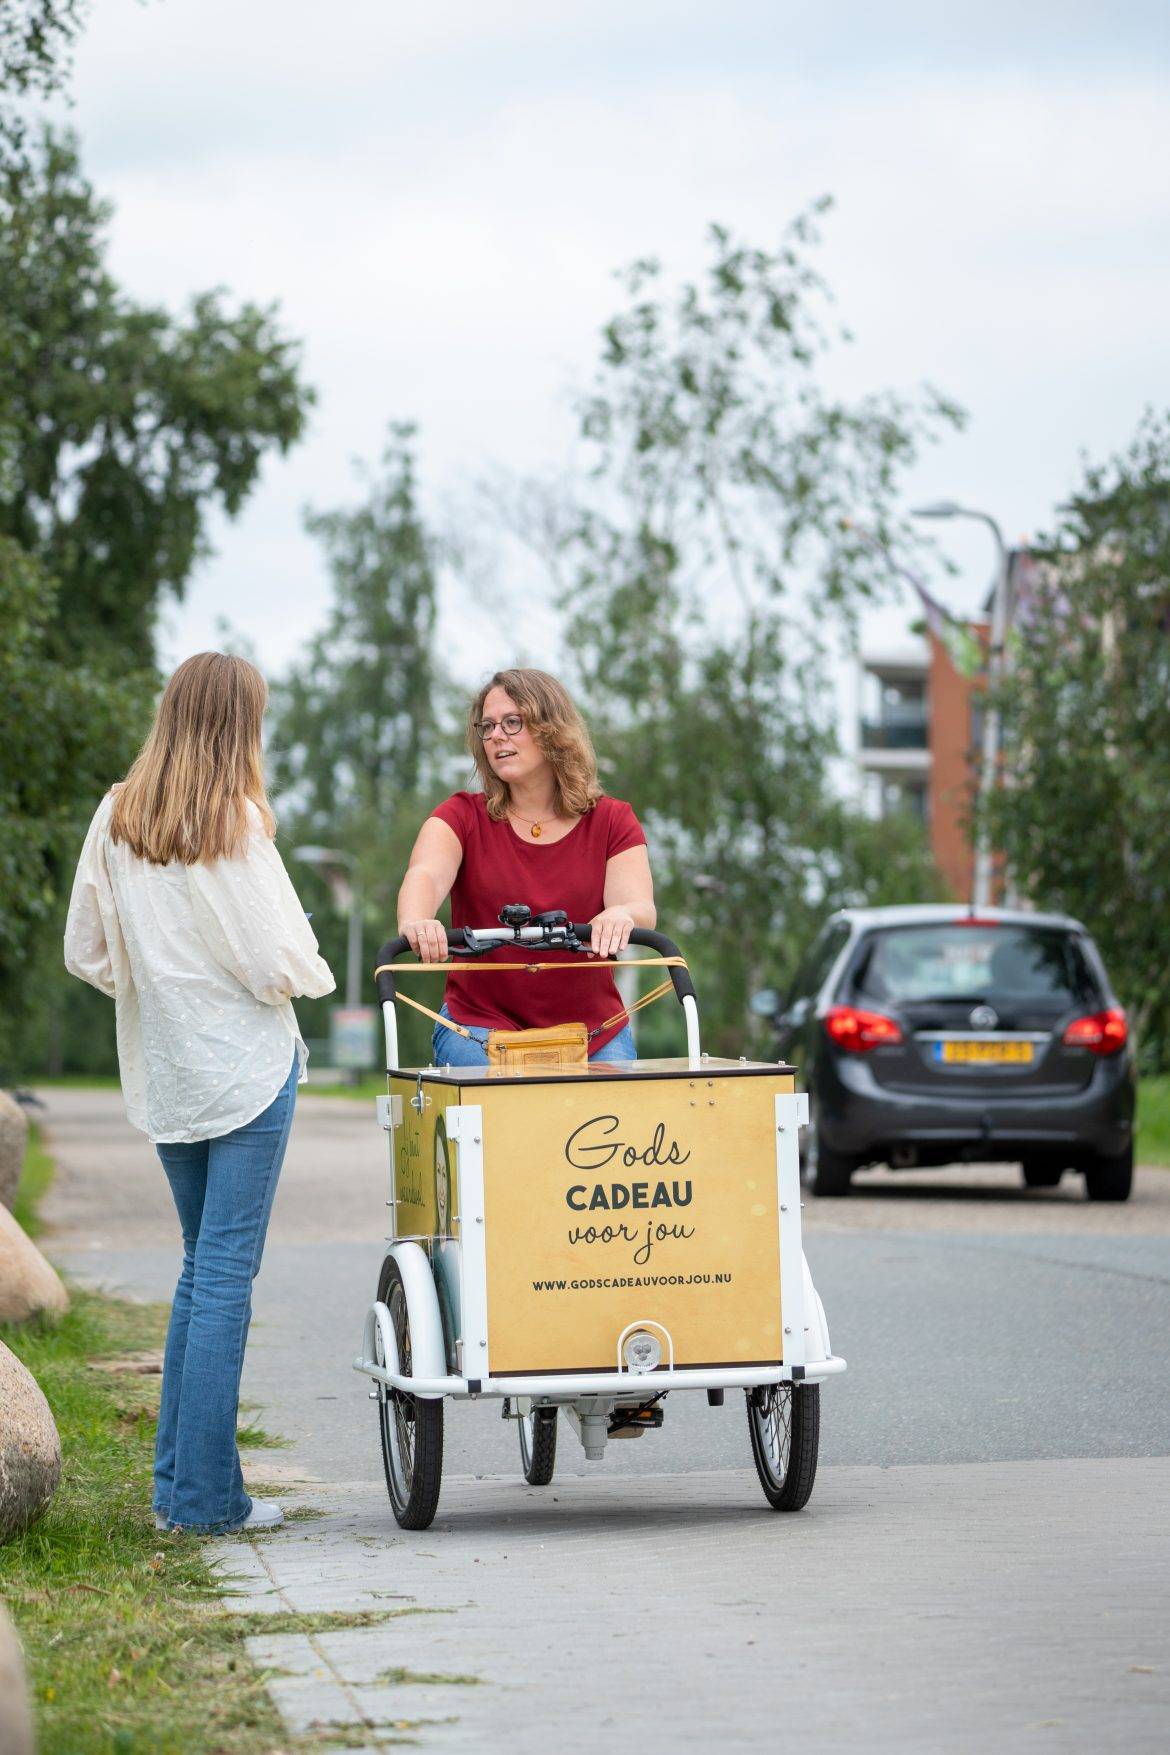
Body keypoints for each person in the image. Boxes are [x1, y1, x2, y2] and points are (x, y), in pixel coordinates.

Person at [64, 652, 335, 1535]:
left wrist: (163, 987)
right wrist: (297, 980)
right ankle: (203, 1505)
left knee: (198, 1271)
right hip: (248, 1073)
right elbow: (276, 960)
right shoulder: (237, 820)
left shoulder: (118, 813)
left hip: (173, 1072)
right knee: (222, 1278)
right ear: (238, 724)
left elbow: (88, 952)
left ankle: (183, 1493)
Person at [398, 667, 654, 1066]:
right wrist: (417, 920)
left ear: (552, 729)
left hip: (593, 1032)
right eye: (488, 726)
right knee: (502, 1120)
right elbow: (425, 874)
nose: (496, 735)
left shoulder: (612, 820)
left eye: (512, 722)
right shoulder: (461, 815)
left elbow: (639, 906)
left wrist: (621, 914)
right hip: (479, 1028)